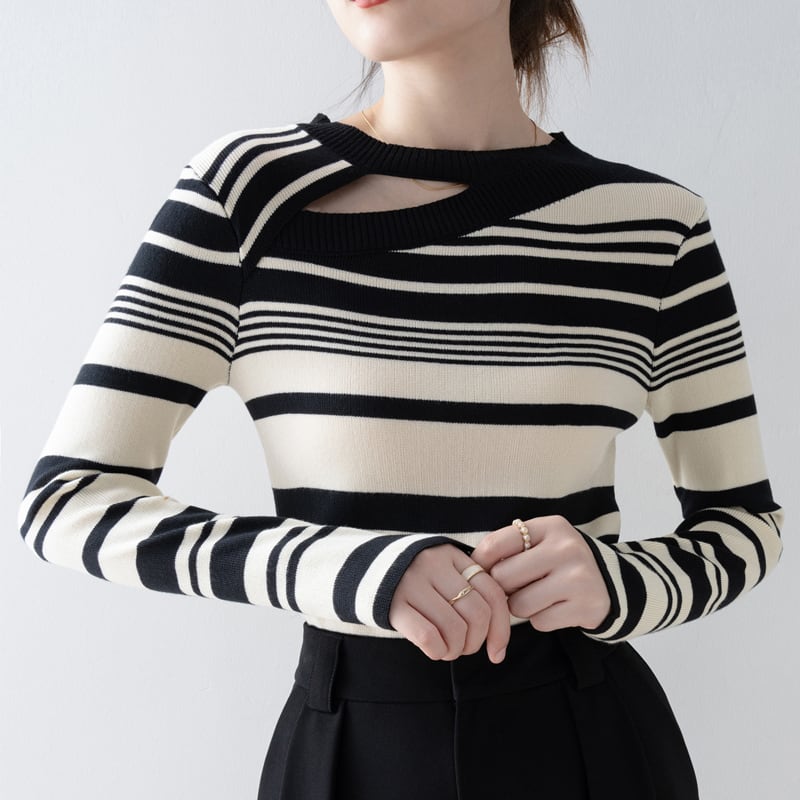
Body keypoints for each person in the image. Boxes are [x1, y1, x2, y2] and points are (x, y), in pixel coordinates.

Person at [17, 1, 784, 798]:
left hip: (589, 738)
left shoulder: (652, 227)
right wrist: (341, 564)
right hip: (353, 739)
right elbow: (66, 501)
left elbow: (745, 524)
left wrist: (617, 582)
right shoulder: (245, 197)